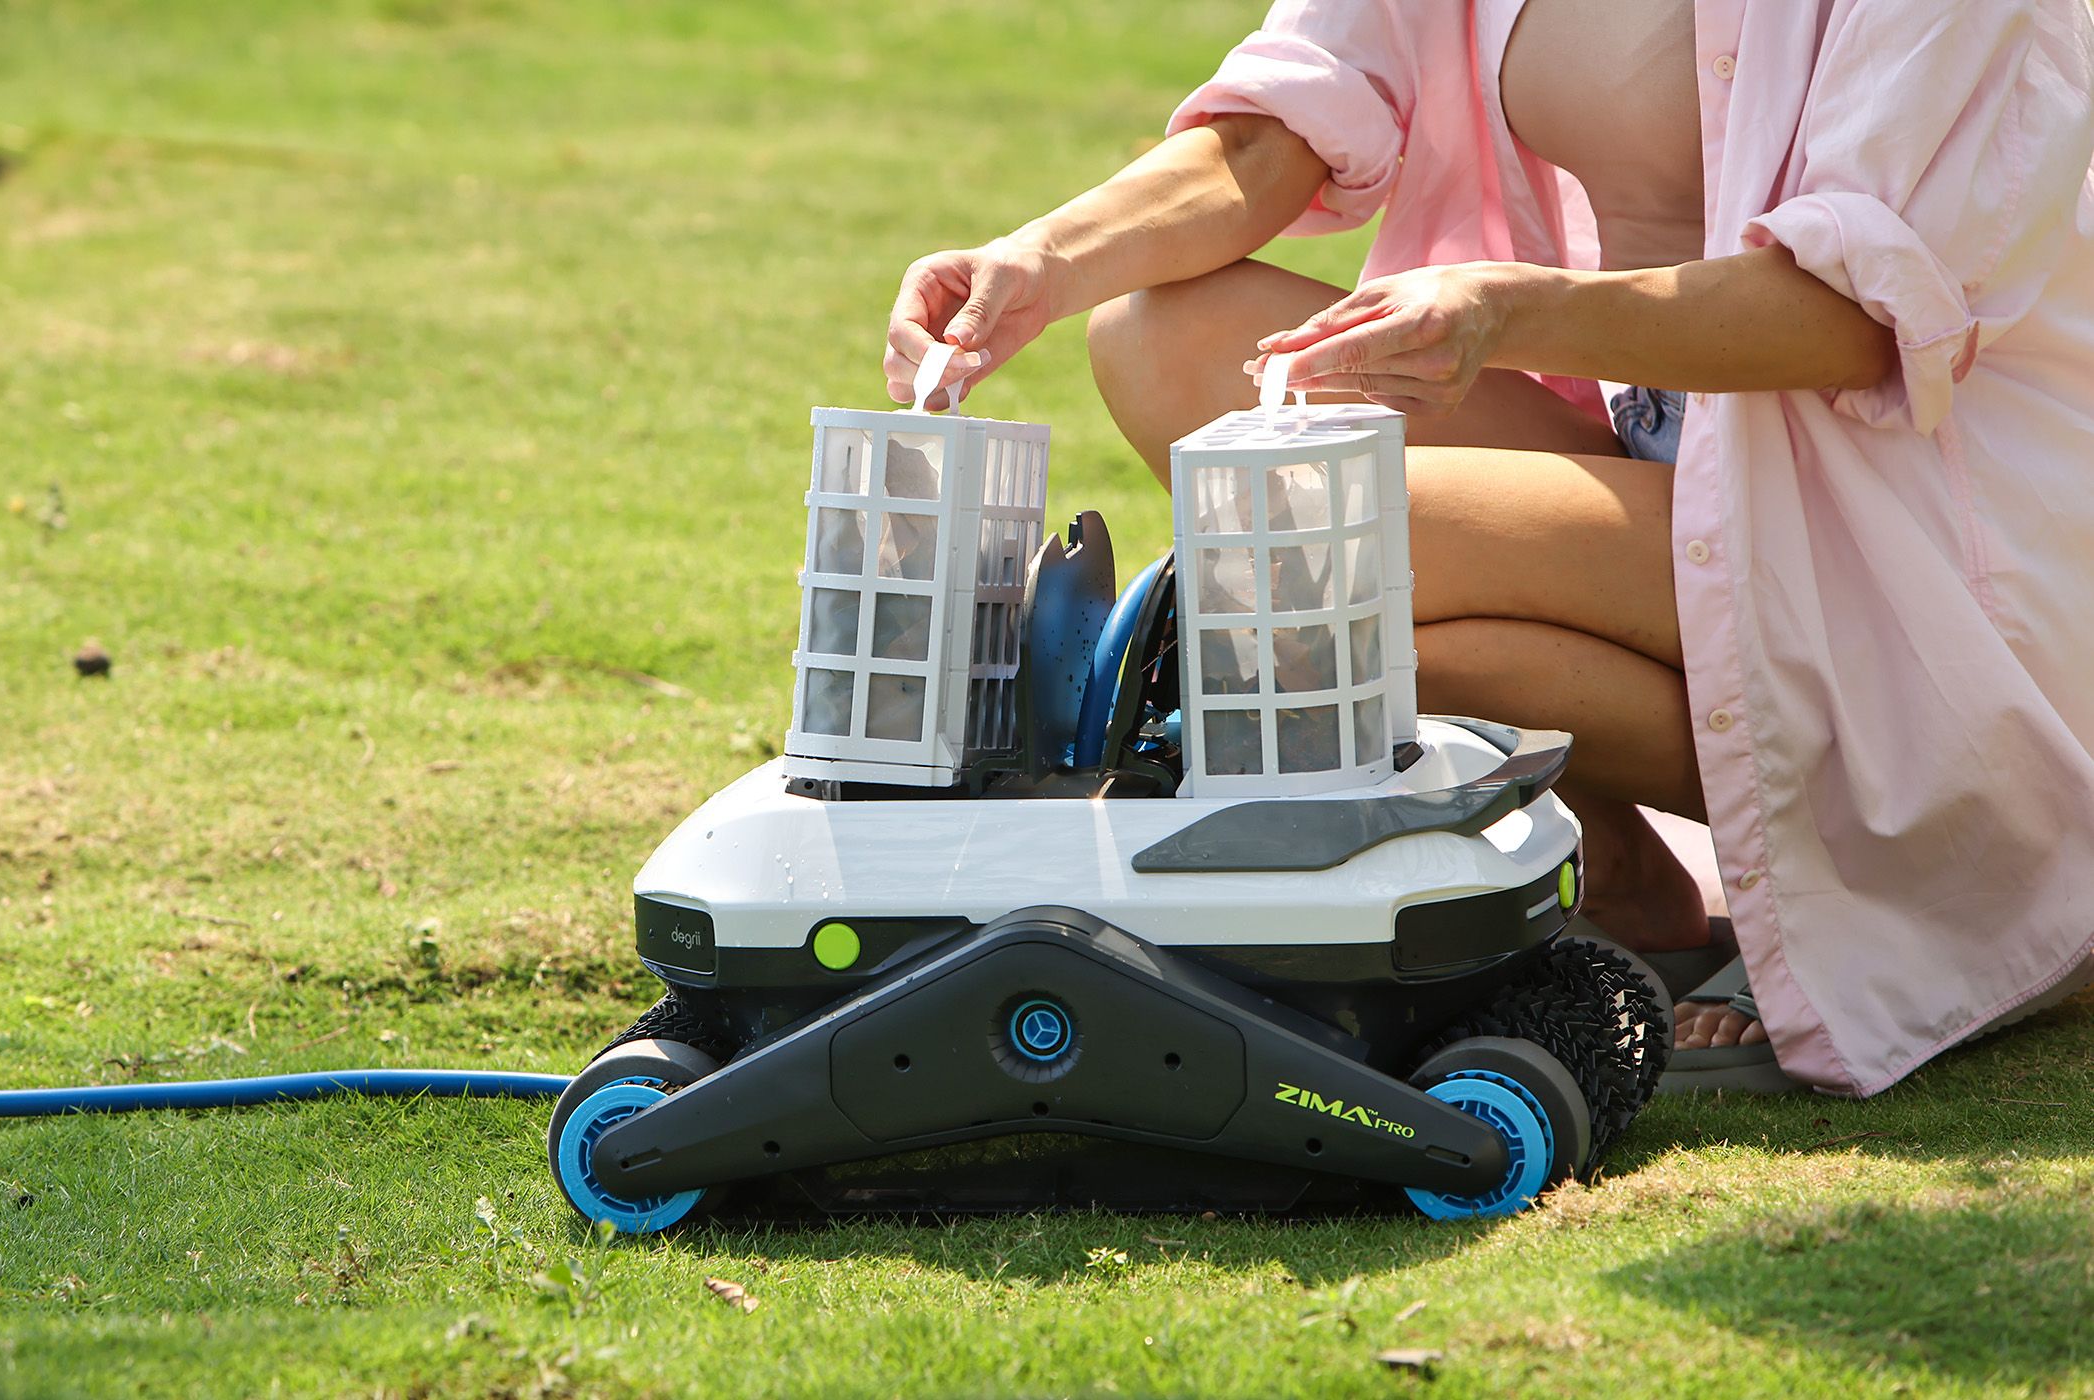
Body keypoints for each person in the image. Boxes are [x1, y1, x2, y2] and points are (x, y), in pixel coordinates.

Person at [884, 0, 2094, 1095]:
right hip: (1670, 467)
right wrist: (1038, 260)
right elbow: (1278, 126)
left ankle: (1888, 879)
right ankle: (1616, 880)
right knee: (1160, 335)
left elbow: (1846, 312)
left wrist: (1507, 311)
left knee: (1341, 547)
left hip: (1904, 522)